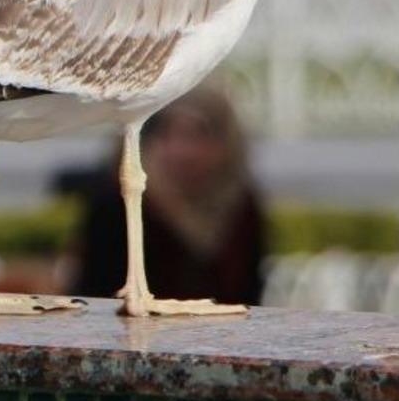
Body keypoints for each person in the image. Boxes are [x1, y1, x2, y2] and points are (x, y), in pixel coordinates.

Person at [66, 83, 266, 306]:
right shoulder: (118, 203)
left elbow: (247, 296)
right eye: (169, 133)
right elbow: (94, 295)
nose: (183, 151)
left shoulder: (239, 205)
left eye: (199, 134)